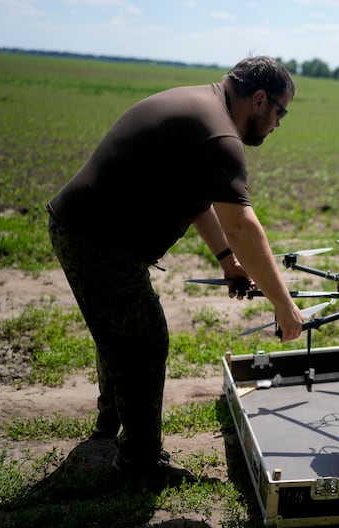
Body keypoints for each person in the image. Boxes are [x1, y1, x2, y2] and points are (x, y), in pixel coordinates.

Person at [47, 56, 304, 486]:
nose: (278, 123)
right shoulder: (220, 135)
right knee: (144, 339)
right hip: (98, 240)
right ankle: (139, 463)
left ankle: (109, 425)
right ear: (259, 99)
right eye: (281, 112)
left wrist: (227, 261)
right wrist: (285, 306)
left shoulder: (202, 108)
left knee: (119, 329)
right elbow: (243, 225)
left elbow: (199, 201)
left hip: (83, 229)